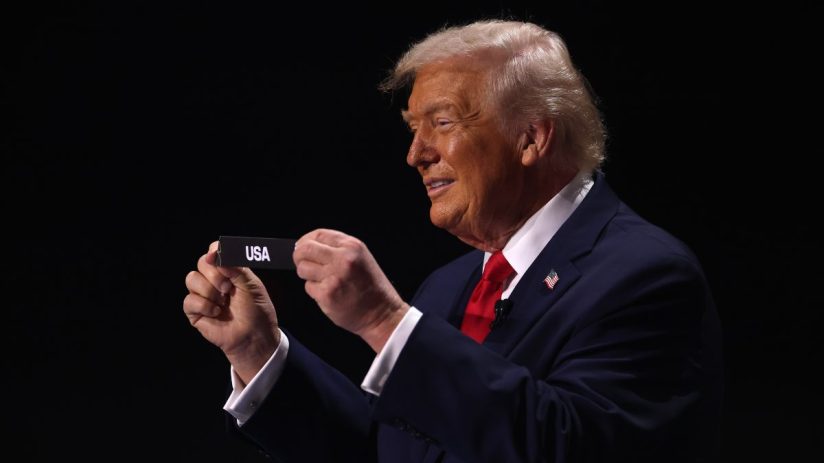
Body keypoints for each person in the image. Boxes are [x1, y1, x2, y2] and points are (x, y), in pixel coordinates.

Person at [183, 19, 723, 463]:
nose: (415, 155)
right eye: (413, 130)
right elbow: (383, 453)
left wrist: (382, 322)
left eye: (441, 123)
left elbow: (566, 447)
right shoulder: (449, 287)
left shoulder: (646, 274)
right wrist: (259, 352)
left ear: (531, 137)